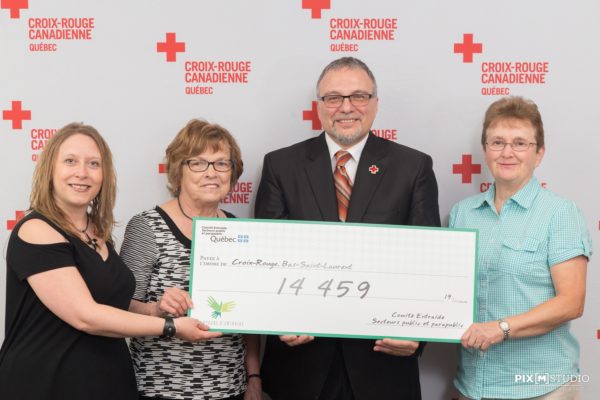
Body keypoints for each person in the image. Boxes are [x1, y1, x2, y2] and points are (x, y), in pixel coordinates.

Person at [254, 57, 441, 400]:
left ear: (375, 104)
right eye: (333, 97)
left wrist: (418, 335)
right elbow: (266, 259)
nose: (346, 107)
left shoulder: (413, 167)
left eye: (358, 96)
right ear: (319, 106)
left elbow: (428, 262)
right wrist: (279, 320)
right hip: (301, 363)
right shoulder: (280, 165)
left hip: (382, 363)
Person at [0, 122, 220, 400]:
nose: (82, 172)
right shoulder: (36, 229)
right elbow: (86, 315)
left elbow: (111, 302)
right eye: (70, 161)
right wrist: (171, 327)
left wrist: (155, 310)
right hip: (47, 382)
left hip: (105, 380)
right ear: (49, 170)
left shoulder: (96, 231)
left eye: (94, 163)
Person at [449, 96, 591, 400]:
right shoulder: (462, 213)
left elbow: (571, 303)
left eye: (520, 143)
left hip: (541, 387)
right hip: (472, 385)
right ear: (485, 150)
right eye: (497, 142)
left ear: (539, 154)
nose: (507, 152)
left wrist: (500, 328)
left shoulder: (560, 213)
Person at [120, 119, 262, 400]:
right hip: (160, 388)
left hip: (230, 387)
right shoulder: (147, 227)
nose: (211, 173)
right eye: (197, 163)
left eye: (222, 163)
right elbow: (122, 307)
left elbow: (249, 315)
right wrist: (157, 309)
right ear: (178, 170)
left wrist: (254, 377)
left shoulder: (240, 231)